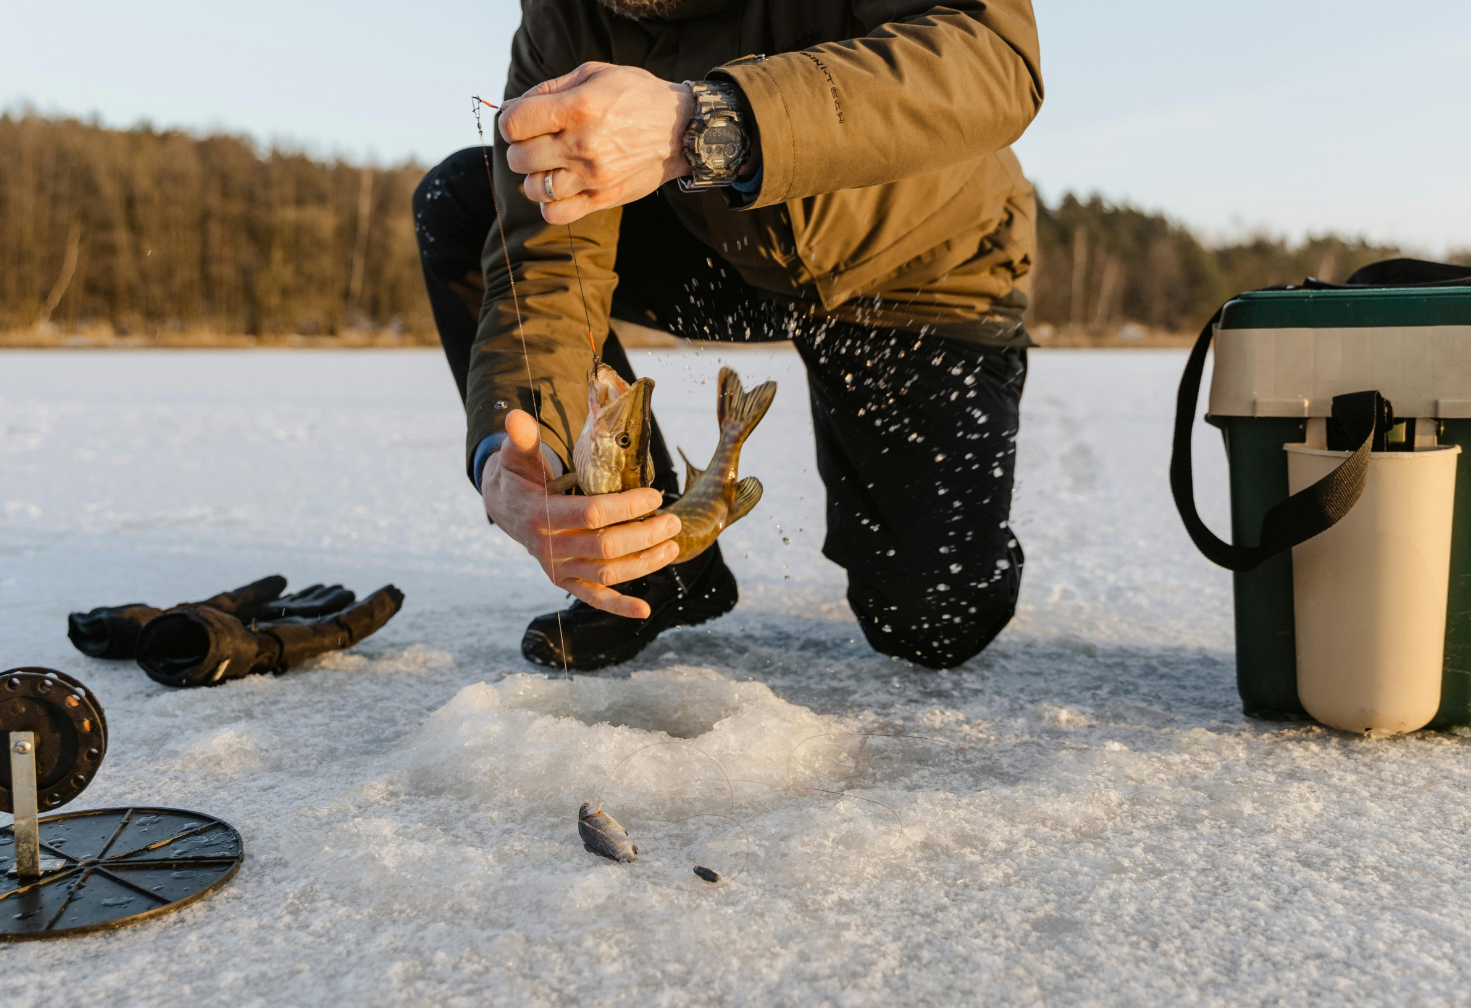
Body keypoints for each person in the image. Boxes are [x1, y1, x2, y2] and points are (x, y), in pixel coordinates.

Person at [415, 0, 1042, 671]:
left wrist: (708, 121)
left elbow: (993, 57)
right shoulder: (563, 16)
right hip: (724, 253)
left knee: (932, 624)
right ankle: (656, 566)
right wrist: (512, 450)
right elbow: (544, 270)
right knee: (466, 200)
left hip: (921, 276)